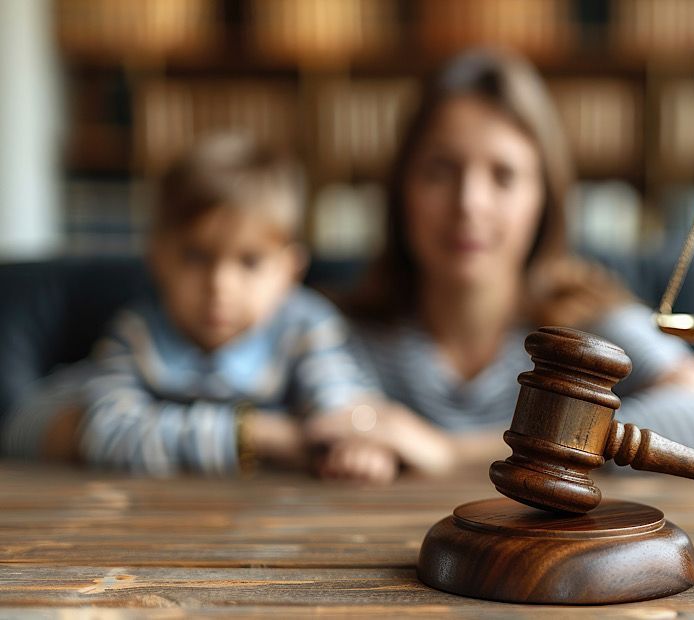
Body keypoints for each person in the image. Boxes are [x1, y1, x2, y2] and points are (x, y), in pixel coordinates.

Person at [306, 49, 694, 481]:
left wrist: (448, 450)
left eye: (503, 176)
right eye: (441, 170)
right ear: (402, 189)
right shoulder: (333, 333)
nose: (469, 204)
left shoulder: (591, 326)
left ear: (543, 199)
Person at [47, 134, 451, 479]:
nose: (219, 285)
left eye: (250, 261)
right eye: (195, 256)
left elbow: (339, 411)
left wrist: (357, 449)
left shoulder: (306, 326)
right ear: (158, 257)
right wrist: (256, 434)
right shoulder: (137, 333)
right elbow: (104, 432)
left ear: (290, 271)